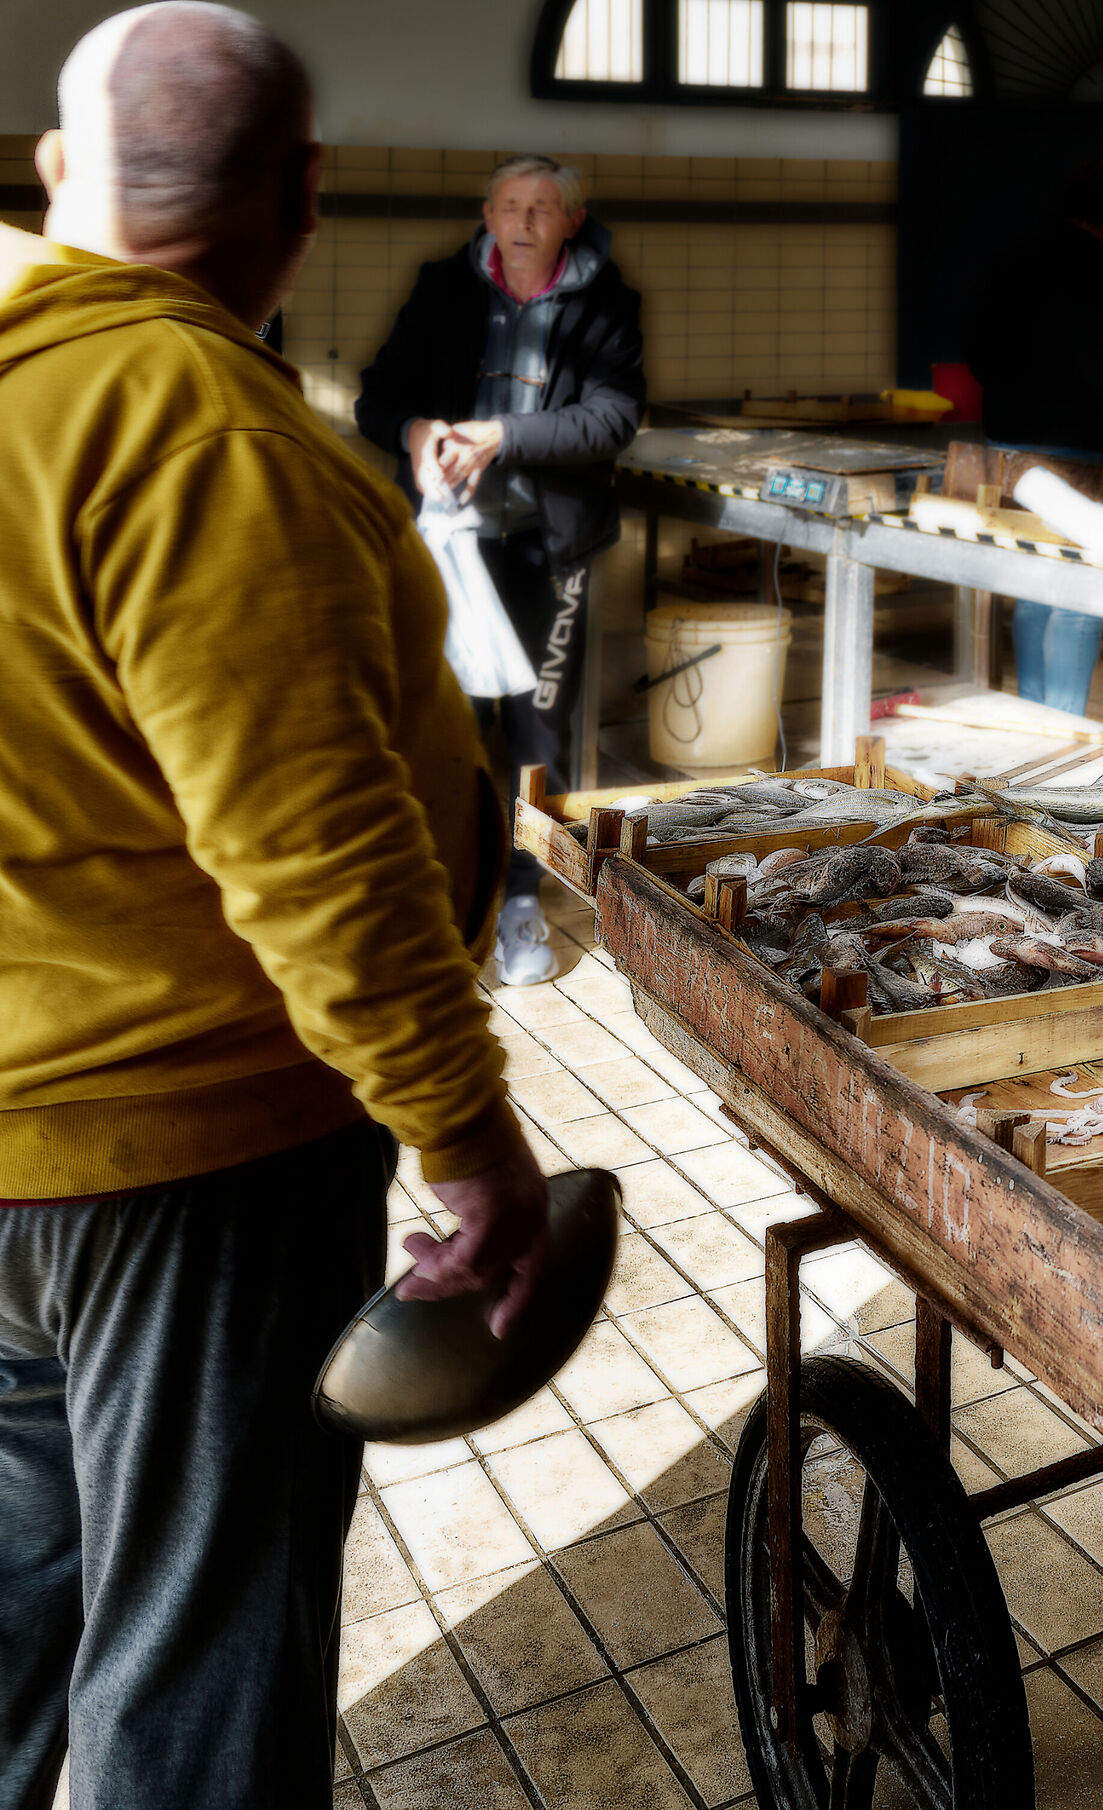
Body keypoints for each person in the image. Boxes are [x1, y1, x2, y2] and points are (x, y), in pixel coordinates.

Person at [0, 9, 553, 1807]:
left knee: (18, 1611)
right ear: (307, 197)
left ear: (55, 175)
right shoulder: (204, 438)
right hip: (188, 1172)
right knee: (196, 1665)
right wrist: (470, 1145)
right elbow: (317, 861)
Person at [356, 153, 644, 984]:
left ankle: (521, 900)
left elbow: (613, 417)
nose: (522, 221)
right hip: (454, 548)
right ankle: (440, 891)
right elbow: (376, 396)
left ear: (570, 222)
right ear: (487, 213)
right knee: (442, 720)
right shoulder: (443, 288)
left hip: (549, 550)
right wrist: (415, 432)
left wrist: (501, 436)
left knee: (535, 729)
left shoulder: (604, 303)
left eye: (541, 208)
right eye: (509, 205)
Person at [966, 160, 1103, 717]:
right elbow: (1101, 366)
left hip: (1011, 452)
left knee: (1036, 586)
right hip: (1072, 453)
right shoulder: (1094, 270)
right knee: (1080, 597)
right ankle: (1064, 733)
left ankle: (1033, 721)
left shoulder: (1013, 260)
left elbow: (979, 355)